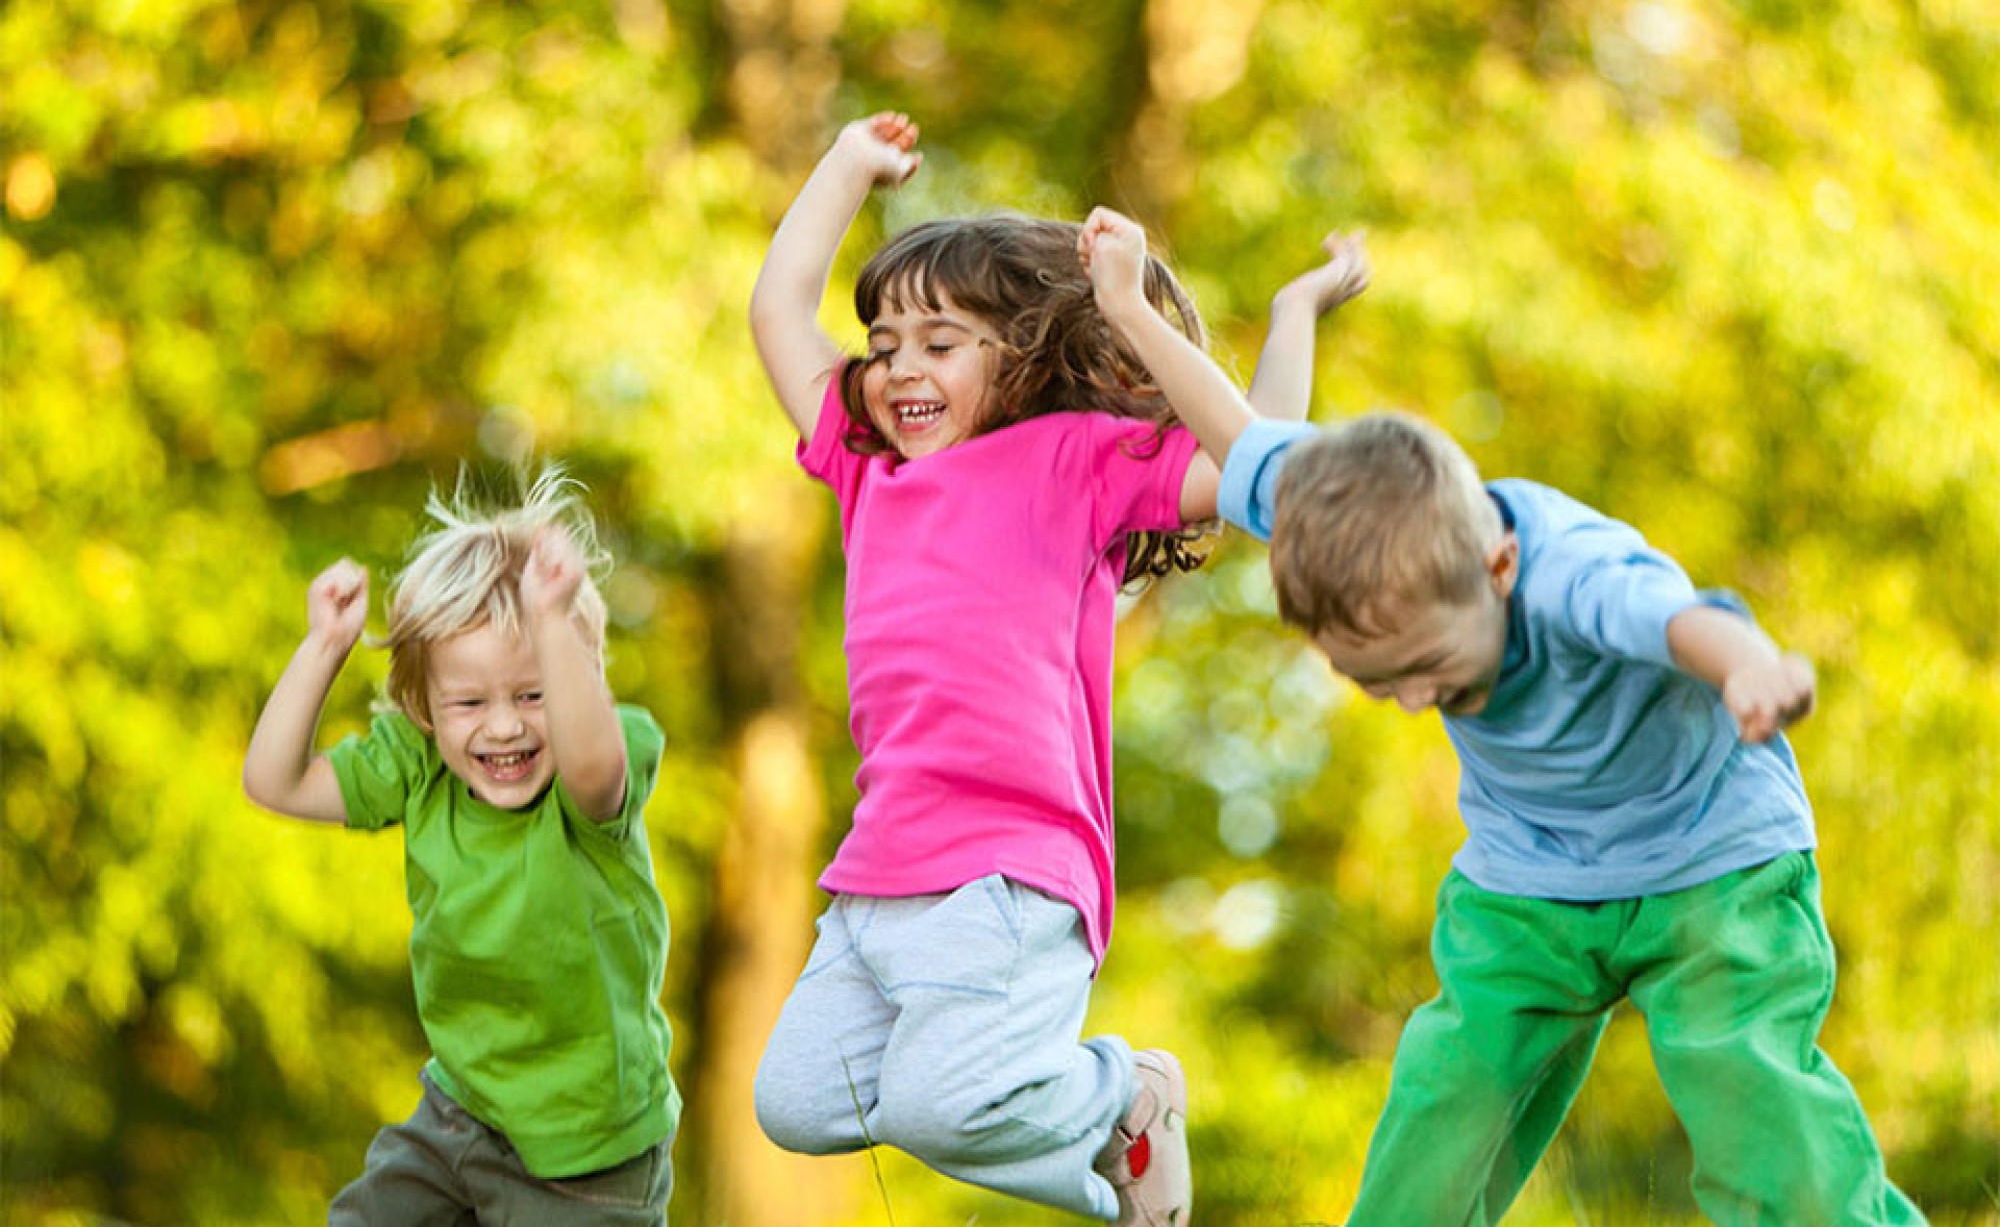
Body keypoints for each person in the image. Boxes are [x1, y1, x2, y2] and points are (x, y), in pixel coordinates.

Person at [1087, 213, 1926, 1225]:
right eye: (1373, 681)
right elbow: (1240, 436)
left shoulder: (1569, 572)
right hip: (1530, 876)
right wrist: (1143, 304)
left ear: (1500, 568)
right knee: (1445, 1104)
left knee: (1757, 1113)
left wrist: (1751, 669)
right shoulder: (1350, 527)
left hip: (1711, 861)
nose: (1410, 700)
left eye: (1428, 671)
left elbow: (1680, 620)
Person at [745, 111, 1367, 1226]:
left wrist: (1168, 310)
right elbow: (779, 311)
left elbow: (1261, 456)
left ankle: (1124, 1096)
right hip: (878, 872)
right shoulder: (866, 465)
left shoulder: (1071, 461)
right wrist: (844, 165)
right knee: (796, 1102)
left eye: (940, 342)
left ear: (1021, 356)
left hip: (1009, 869)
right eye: (884, 343)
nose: (900, 367)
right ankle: (1097, 1119)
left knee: (941, 1107)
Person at [243, 468, 678, 1225]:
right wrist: (325, 646)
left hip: (591, 1150)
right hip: (459, 1115)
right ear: (423, 708)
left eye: (533, 694)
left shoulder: (593, 777)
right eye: (470, 702)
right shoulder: (417, 767)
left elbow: (592, 766)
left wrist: (551, 621)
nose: (504, 727)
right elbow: (273, 782)